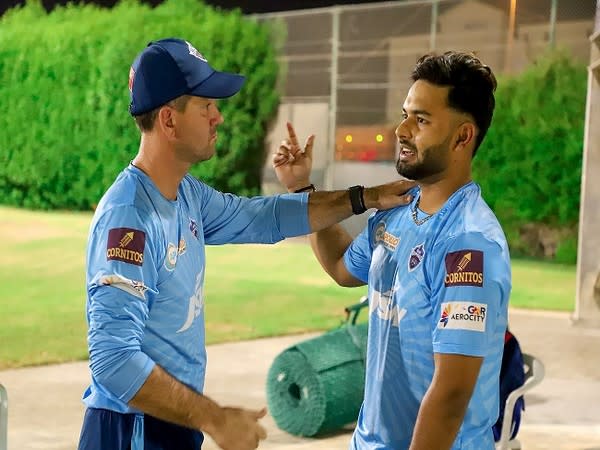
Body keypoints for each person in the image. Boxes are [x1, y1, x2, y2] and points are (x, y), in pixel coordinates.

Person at [77, 37, 414, 450]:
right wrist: (214, 418)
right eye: (206, 105)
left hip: (167, 425)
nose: (218, 117)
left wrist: (365, 197)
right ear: (169, 120)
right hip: (131, 431)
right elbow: (112, 360)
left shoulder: (187, 196)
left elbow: (264, 217)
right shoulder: (129, 219)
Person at [274, 51, 511, 450]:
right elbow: (339, 266)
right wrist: (303, 192)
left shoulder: (470, 244)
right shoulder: (397, 210)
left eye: (421, 119)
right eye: (405, 114)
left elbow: (451, 395)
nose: (401, 129)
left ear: (462, 137)